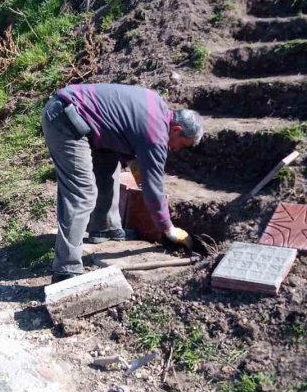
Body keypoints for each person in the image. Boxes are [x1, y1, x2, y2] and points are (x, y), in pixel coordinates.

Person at [41, 83, 203, 283]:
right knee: (81, 194)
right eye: (182, 144)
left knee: (108, 162)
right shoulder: (157, 134)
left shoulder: (157, 106)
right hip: (65, 120)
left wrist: (136, 167)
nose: (177, 149)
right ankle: (66, 269)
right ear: (177, 130)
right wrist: (169, 229)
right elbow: (154, 188)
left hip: (81, 118)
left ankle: (104, 228)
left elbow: (121, 131)